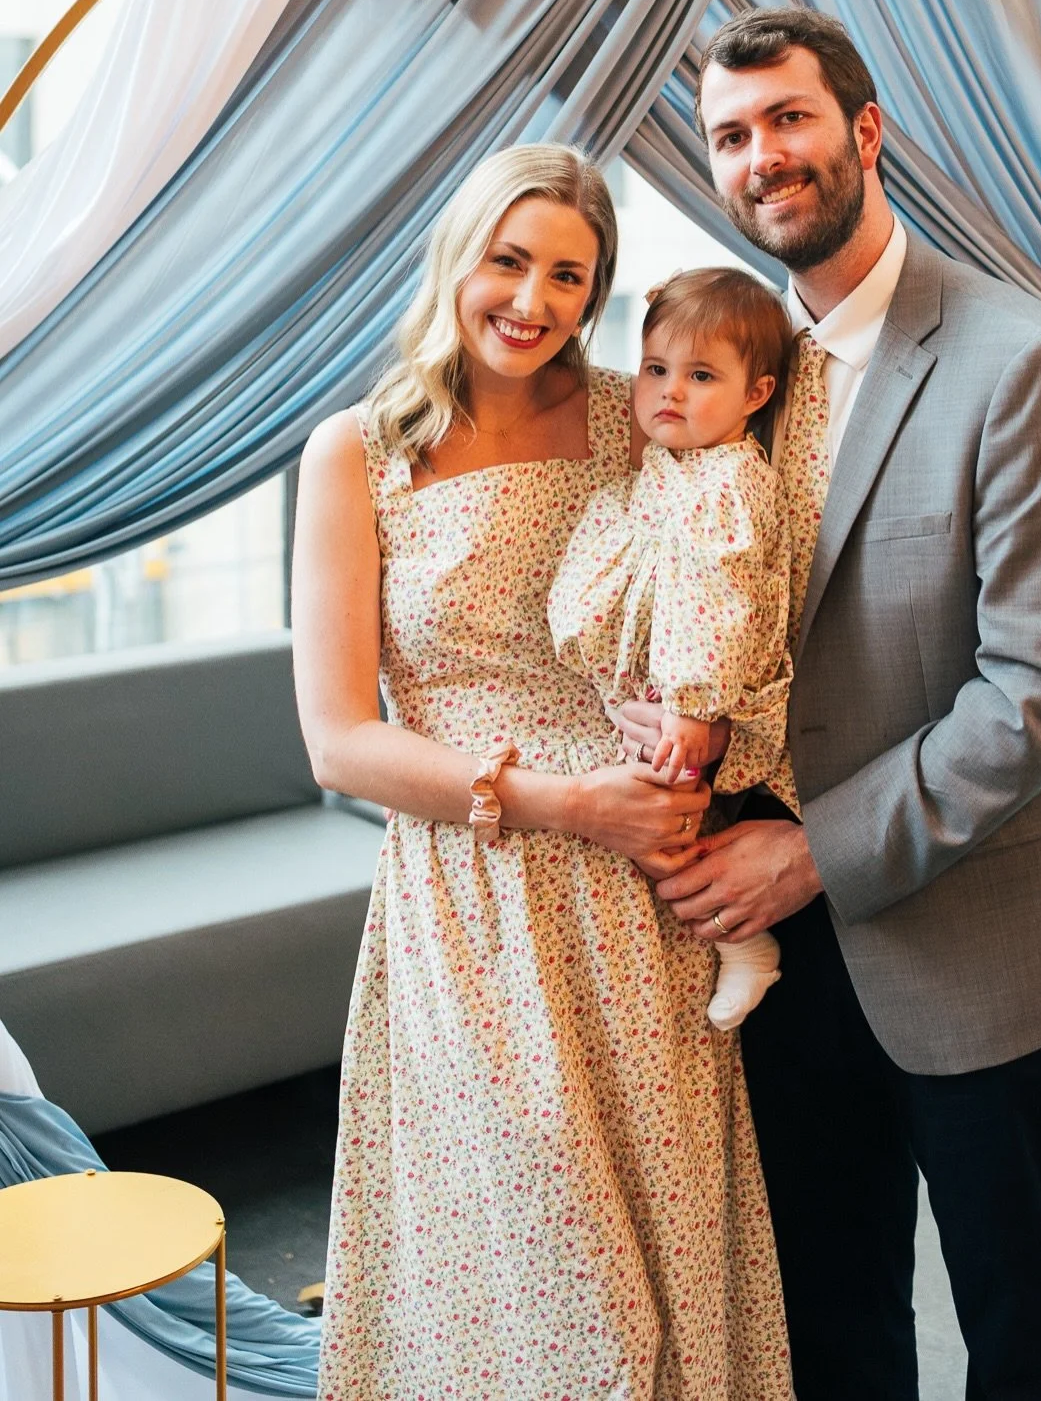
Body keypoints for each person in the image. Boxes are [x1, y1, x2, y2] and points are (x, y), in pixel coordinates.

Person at [613, 9, 1041, 1400]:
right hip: (781, 960)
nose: (760, 156)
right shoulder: (732, 370)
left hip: (977, 932)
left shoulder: (1021, 360)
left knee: (1027, 1335)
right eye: (730, 135)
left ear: (864, 131)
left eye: (788, 119)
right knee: (829, 1327)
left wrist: (811, 850)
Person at [290, 145, 791, 1401]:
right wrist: (564, 803)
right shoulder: (356, 453)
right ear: (457, 258)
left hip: (641, 910)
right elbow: (338, 737)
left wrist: (708, 730)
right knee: (529, 1269)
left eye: (568, 275)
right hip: (471, 907)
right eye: (508, 261)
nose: (532, 300)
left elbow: (741, 586)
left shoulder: (645, 415)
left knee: (665, 1257)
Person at [548, 266, 798, 1030]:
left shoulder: (730, 481)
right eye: (655, 369)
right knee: (640, 812)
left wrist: (693, 705)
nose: (669, 392)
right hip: (657, 690)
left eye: (700, 376)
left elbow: (719, 595)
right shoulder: (668, 466)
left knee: (663, 817)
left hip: (702, 694)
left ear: (755, 394)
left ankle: (744, 942)